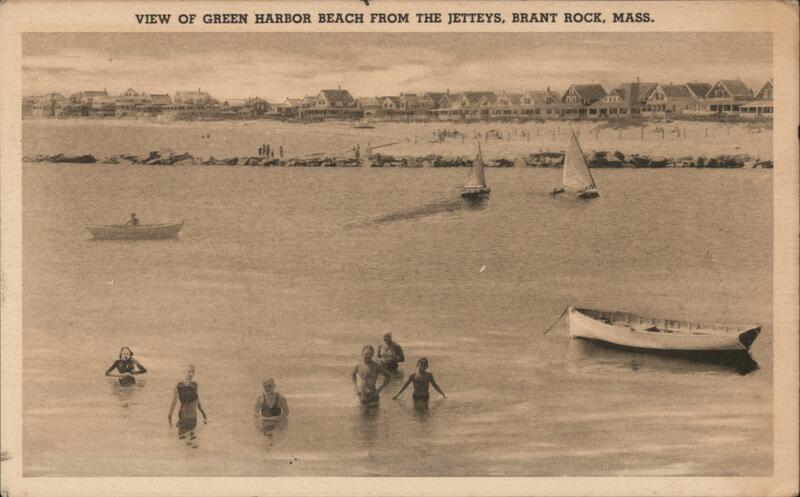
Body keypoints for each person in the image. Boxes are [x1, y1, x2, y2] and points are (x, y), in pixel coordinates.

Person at [168, 364, 207, 447]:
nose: (191, 374)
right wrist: (170, 415)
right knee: (183, 440)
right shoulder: (179, 385)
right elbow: (174, 401)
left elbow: (197, 401)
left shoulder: (195, 385)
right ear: (184, 372)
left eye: (193, 372)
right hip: (183, 415)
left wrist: (203, 413)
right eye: (189, 371)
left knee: (190, 441)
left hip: (193, 416)